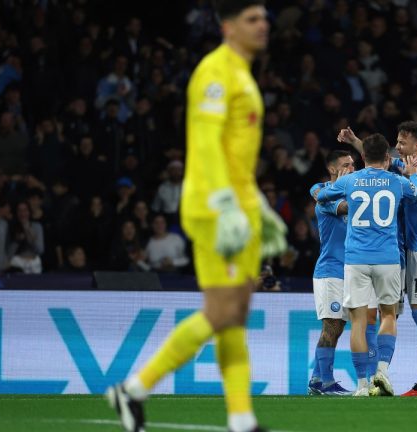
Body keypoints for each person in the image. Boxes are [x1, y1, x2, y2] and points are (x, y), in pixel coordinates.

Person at [106, 2, 287, 432]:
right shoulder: (215, 72)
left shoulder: (243, 73)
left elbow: (234, 155)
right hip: (213, 209)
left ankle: (241, 418)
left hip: (240, 207)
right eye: (251, 19)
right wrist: (225, 204)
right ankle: (133, 389)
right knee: (221, 311)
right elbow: (205, 144)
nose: (263, 25)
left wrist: (258, 204)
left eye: (264, 17)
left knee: (236, 313)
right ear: (228, 27)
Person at [338, 123, 417, 397]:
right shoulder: (404, 164)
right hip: (413, 248)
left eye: (402, 142)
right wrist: (355, 141)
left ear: (416, 145)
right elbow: (377, 158)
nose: (397, 146)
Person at [317, 134, 417, 397]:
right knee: (388, 314)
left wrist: (337, 187)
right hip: (387, 259)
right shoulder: (397, 181)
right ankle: (382, 371)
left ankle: (362, 385)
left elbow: (323, 195)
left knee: (357, 321)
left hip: (355, 260)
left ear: (363, 156)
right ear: (388, 158)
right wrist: (413, 175)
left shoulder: (350, 180)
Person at [306, 150, 355, 396]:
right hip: (330, 270)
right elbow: (345, 208)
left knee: (338, 327)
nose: (352, 169)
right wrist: (364, 196)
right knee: (331, 326)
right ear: (333, 169)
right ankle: (326, 382)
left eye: (353, 164)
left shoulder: (351, 190)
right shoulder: (324, 194)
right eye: (346, 165)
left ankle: (317, 379)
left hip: (349, 270)